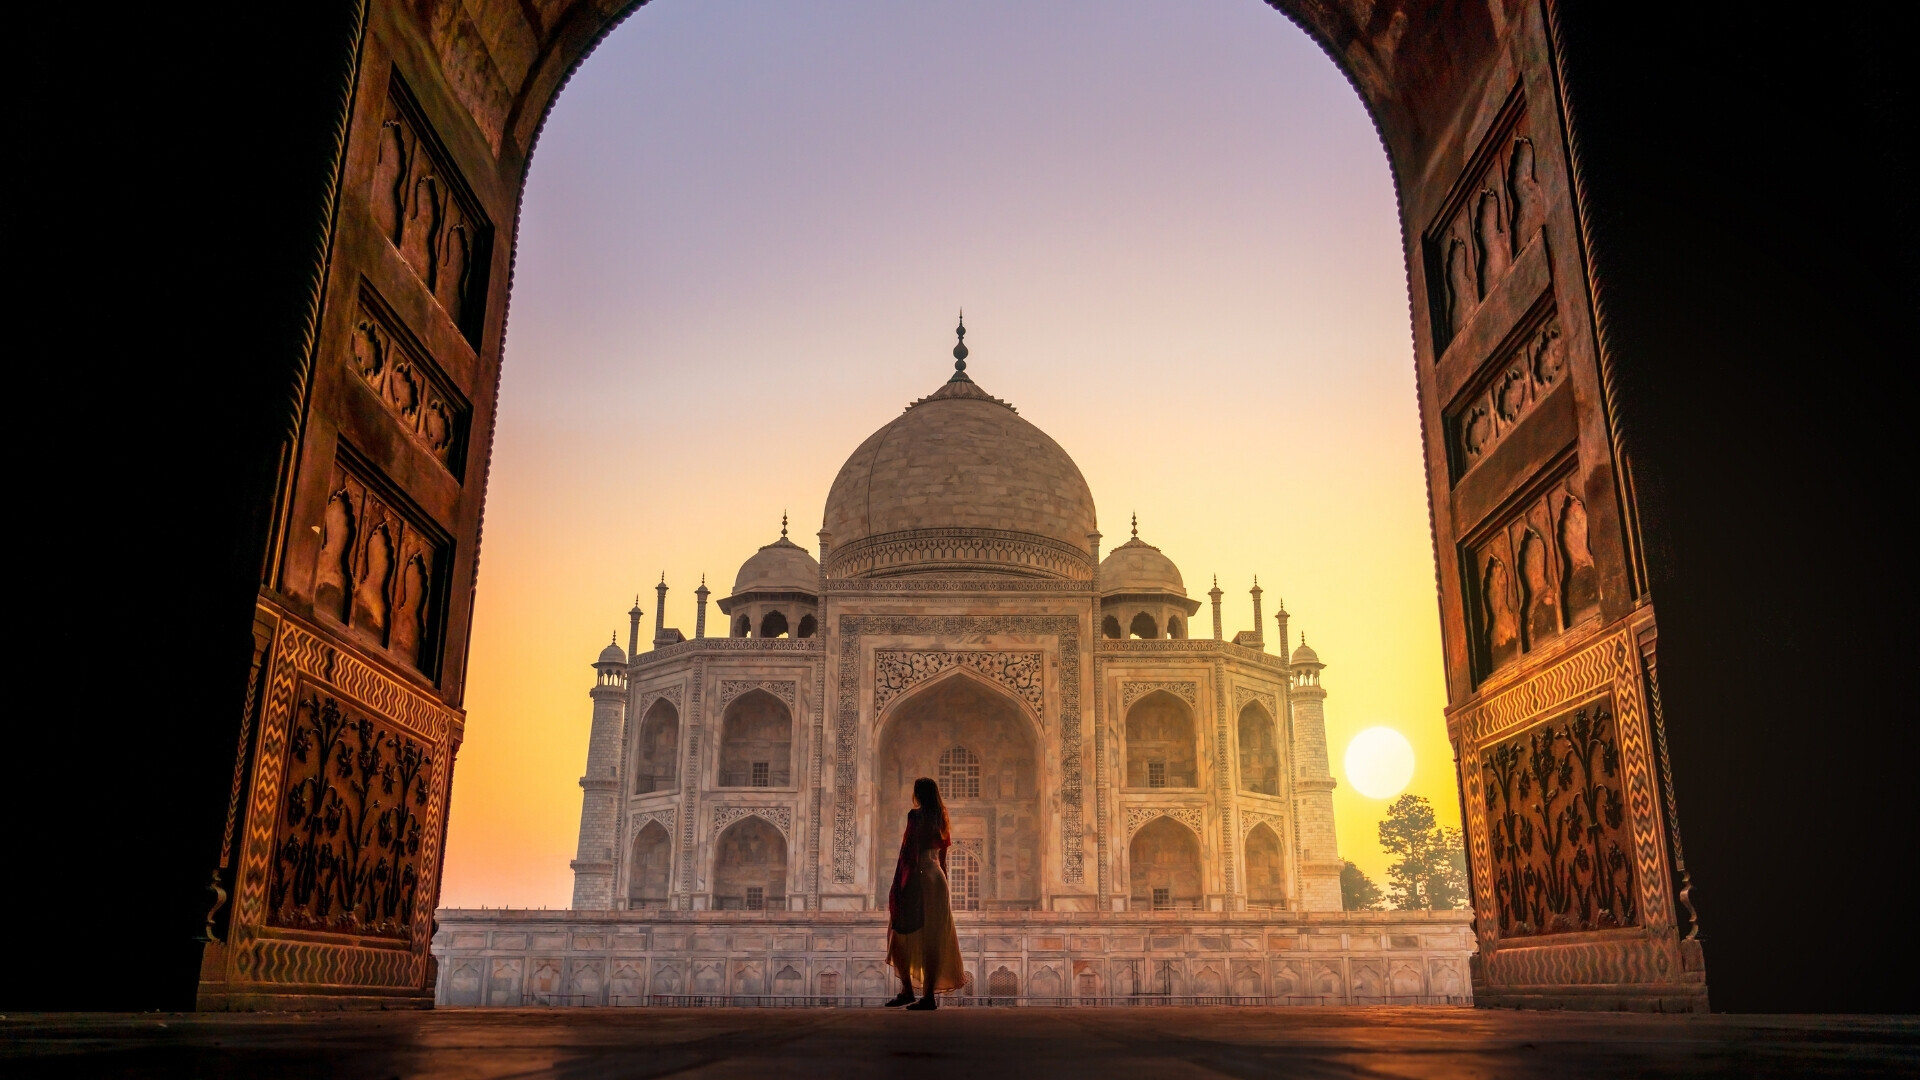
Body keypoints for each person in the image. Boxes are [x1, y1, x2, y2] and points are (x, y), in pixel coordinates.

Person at [883, 776, 965, 1010]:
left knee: (897, 932)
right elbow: (943, 858)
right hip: (937, 880)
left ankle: (907, 990)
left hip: (917, 878)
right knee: (933, 939)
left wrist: (899, 884)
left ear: (918, 795)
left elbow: (908, 851)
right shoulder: (942, 816)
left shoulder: (915, 815)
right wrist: (944, 888)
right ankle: (928, 996)